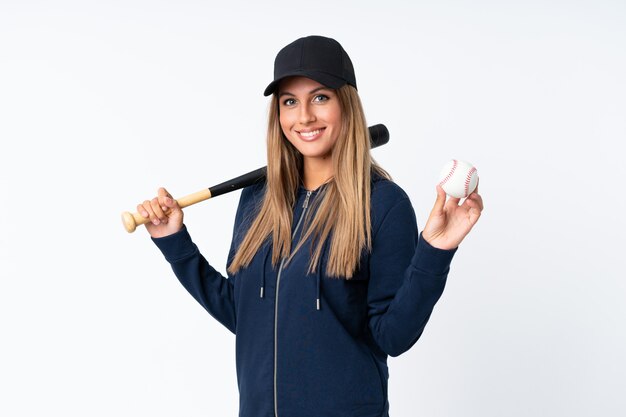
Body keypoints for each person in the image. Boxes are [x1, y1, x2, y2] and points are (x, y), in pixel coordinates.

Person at [137, 35, 483, 417]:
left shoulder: (384, 204)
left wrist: (435, 250)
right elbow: (244, 315)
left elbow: (393, 336)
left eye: (320, 98)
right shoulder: (257, 200)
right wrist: (175, 243)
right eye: (290, 102)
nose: (304, 117)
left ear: (346, 105)